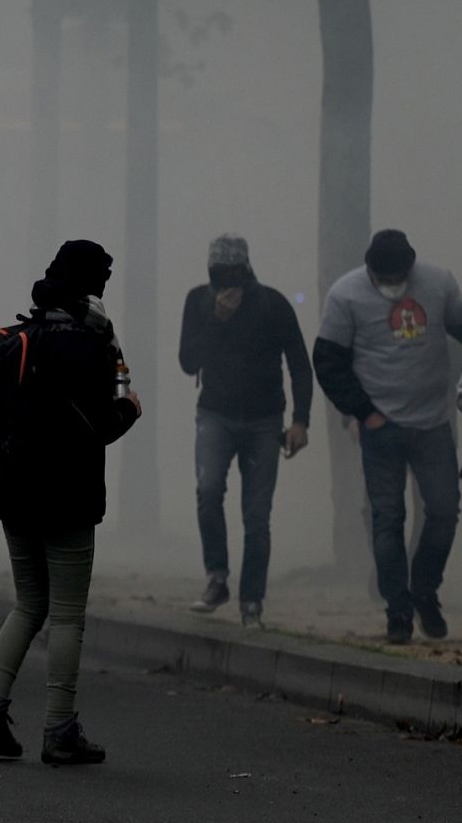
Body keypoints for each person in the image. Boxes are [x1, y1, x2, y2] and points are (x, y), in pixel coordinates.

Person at [0, 240, 140, 766]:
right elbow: (101, 423)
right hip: (67, 496)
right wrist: (129, 409)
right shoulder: (87, 347)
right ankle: (60, 728)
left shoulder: (26, 337)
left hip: (15, 492)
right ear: (92, 287)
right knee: (66, 615)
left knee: (28, 604)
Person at [314, 229, 462, 644]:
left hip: (433, 423)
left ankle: (424, 589)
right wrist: (361, 413)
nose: (393, 286)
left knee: (445, 510)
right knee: (387, 518)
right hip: (381, 427)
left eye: (400, 276)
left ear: (411, 267)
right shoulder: (346, 296)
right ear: (370, 271)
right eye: (384, 278)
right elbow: (327, 361)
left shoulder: (439, 284)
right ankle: (397, 610)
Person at [177, 234, 312, 627]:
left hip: (264, 419)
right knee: (208, 490)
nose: (226, 281)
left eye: (233, 273)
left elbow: (300, 364)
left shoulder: (271, 303)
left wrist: (300, 421)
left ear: (247, 269)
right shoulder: (198, 300)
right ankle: (216, 577)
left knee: (256, 515)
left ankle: (252, 600)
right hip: (215, 412)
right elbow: (188, 361)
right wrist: (216, 321)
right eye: (219, 273)